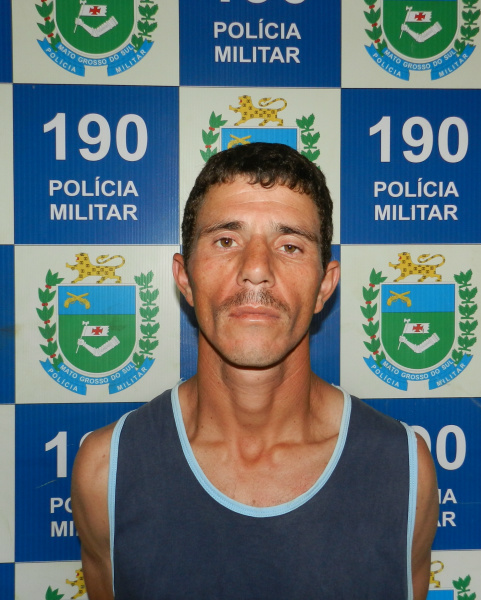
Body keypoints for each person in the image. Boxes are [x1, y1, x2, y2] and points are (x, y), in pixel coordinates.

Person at [71, 142, 439, 600]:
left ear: (325, 286)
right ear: (184, 278)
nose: (257, 269)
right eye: (227, 241)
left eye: (290, 246)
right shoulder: (106, 469)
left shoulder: (404, 470)